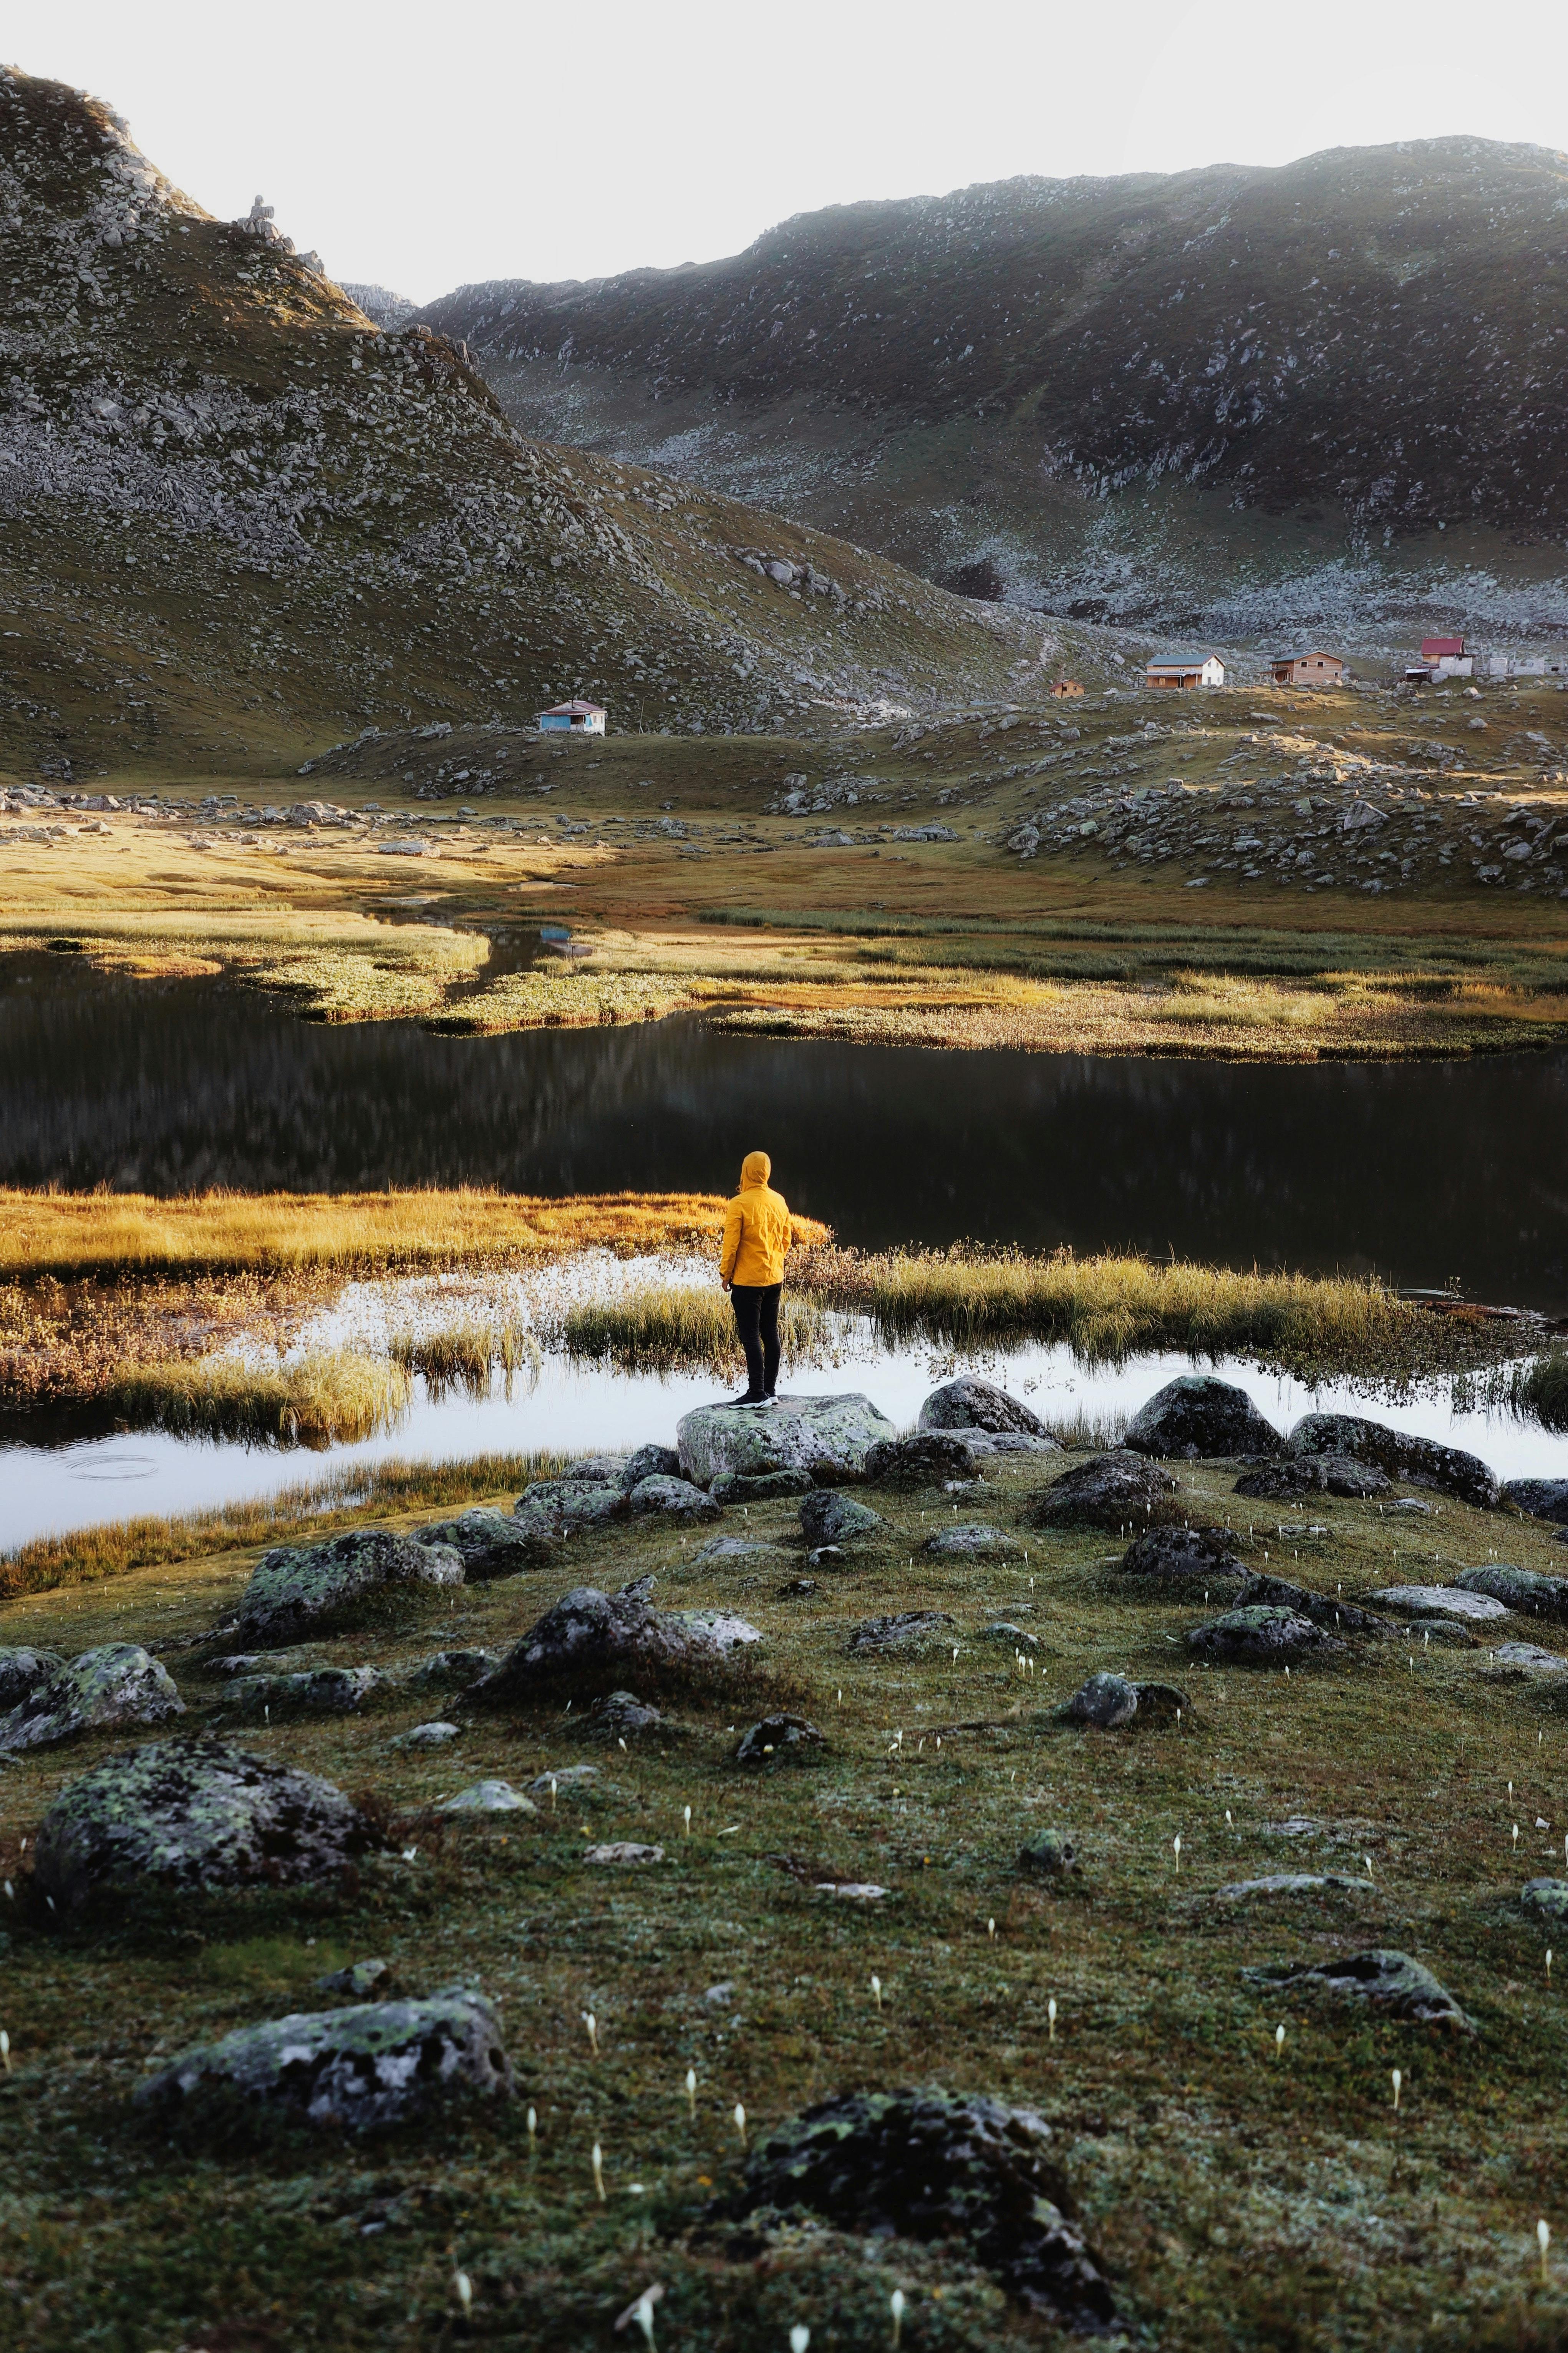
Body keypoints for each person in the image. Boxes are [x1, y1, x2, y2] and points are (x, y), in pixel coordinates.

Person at [718, 1149, 793, 1405]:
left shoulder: (739, 1203)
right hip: (774, 1278)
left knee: (750, 1336)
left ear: (746, 1171)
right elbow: (786, 1239)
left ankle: (757, 1393)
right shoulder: (779, 1201)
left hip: (748, 1283)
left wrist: (726, 1274)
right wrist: (774, 1262)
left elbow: (731, 1244)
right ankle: (770, 1392)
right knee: (770, 1332)